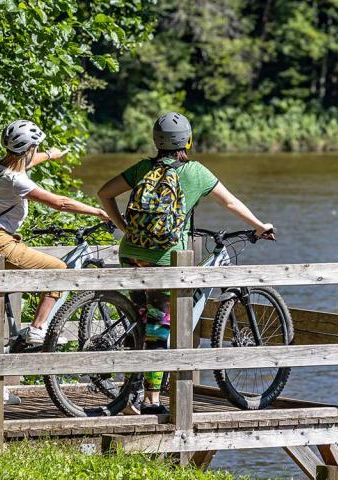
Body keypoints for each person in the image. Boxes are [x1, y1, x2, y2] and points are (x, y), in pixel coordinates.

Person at [97, 112, 275, 415]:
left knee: (140, 320)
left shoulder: (143, 168)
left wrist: (124, 228)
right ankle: (151, 400)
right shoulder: (195, 172)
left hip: (131, 252)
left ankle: (131, 391)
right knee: (158, 326)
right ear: (187, 141)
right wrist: (260, 226)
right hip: (166, 258)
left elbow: (104, 193)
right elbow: (230, 202)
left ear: (156, 141)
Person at [0, 119, 109, 347]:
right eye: (36, 148)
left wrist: (50, 155)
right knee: (59, 270)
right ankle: (37, 329)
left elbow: (24, 164)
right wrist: (99, 212)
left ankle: (14, 340)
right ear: (29, 150)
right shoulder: (16, 181)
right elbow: (60, 203)